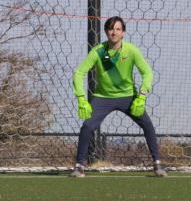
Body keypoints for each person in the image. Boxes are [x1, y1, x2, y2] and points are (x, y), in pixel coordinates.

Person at [70, 16, 167, 178]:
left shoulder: (131, 50)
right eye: (110, 29)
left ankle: (157, 164)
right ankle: (79, 166)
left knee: (148, 125)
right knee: (87, 127)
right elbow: (79, 73)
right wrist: (81, 98)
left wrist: (142, 96)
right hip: (102, 98)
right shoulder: (99, 51)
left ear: (123, 33)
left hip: (129, 97)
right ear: (106, 32)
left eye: (117, 29)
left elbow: (147, 73)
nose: (113, 32)